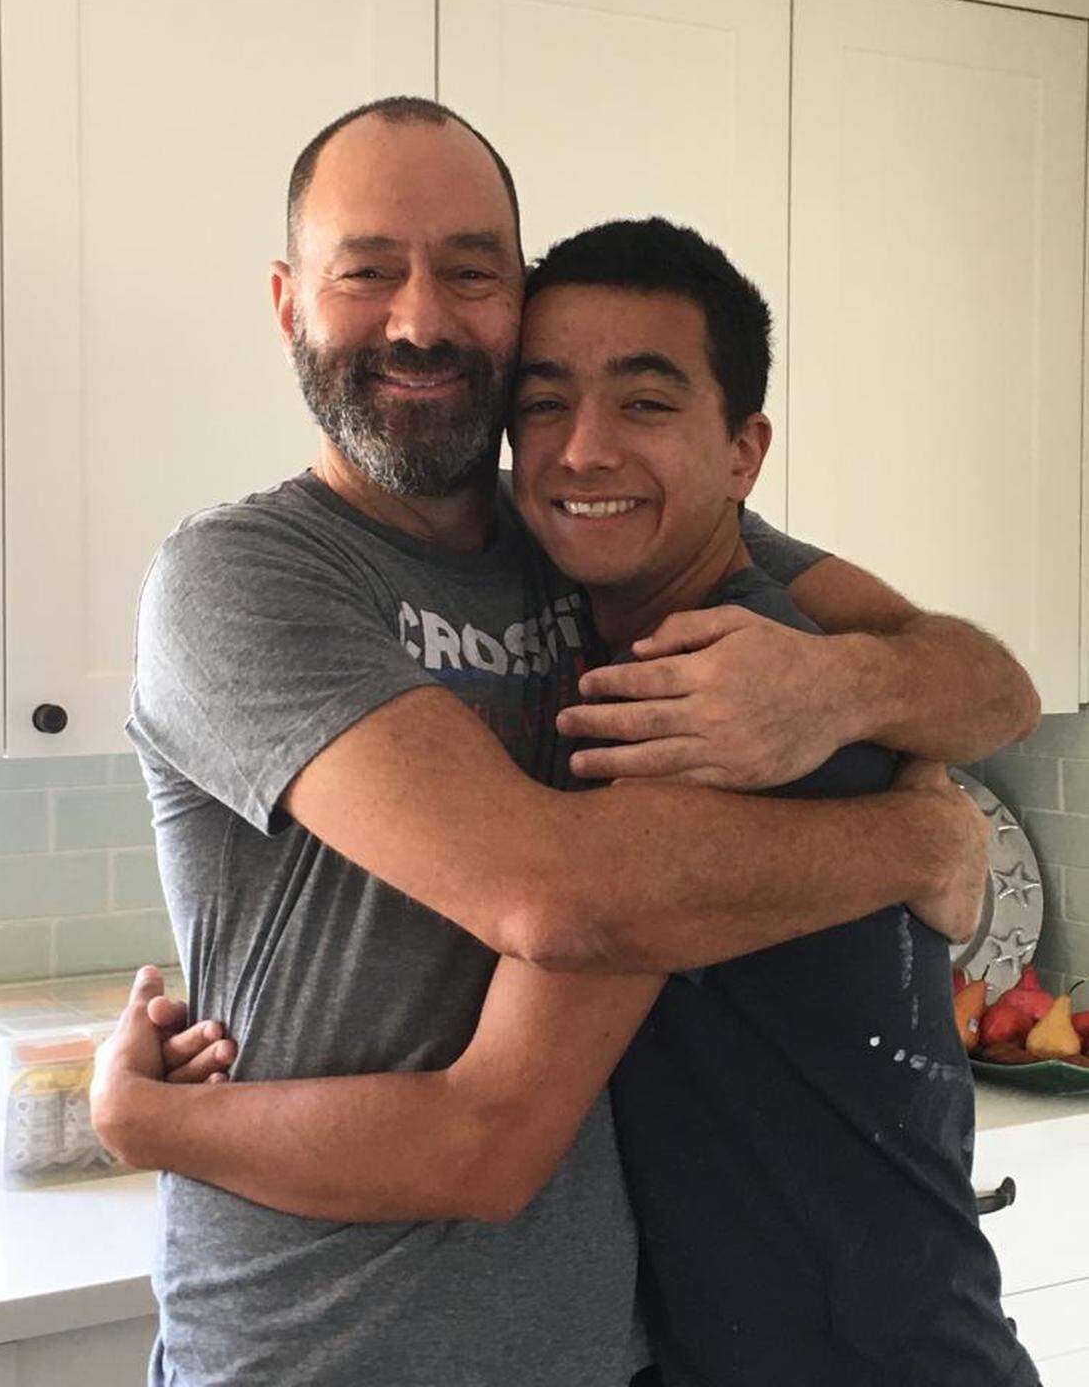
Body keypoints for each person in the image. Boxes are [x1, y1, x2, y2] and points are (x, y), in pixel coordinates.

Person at [93, 98, 1036, 1387]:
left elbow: (986, 682)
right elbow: (558, 901)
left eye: (470, 271)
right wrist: (916, 837)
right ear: (288, 300)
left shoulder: (600, 546)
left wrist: (849, 690)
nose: (420, 318)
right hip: (306, 1350)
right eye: (367, 269)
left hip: (623, 1348)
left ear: (514, 295)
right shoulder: (244, 575)